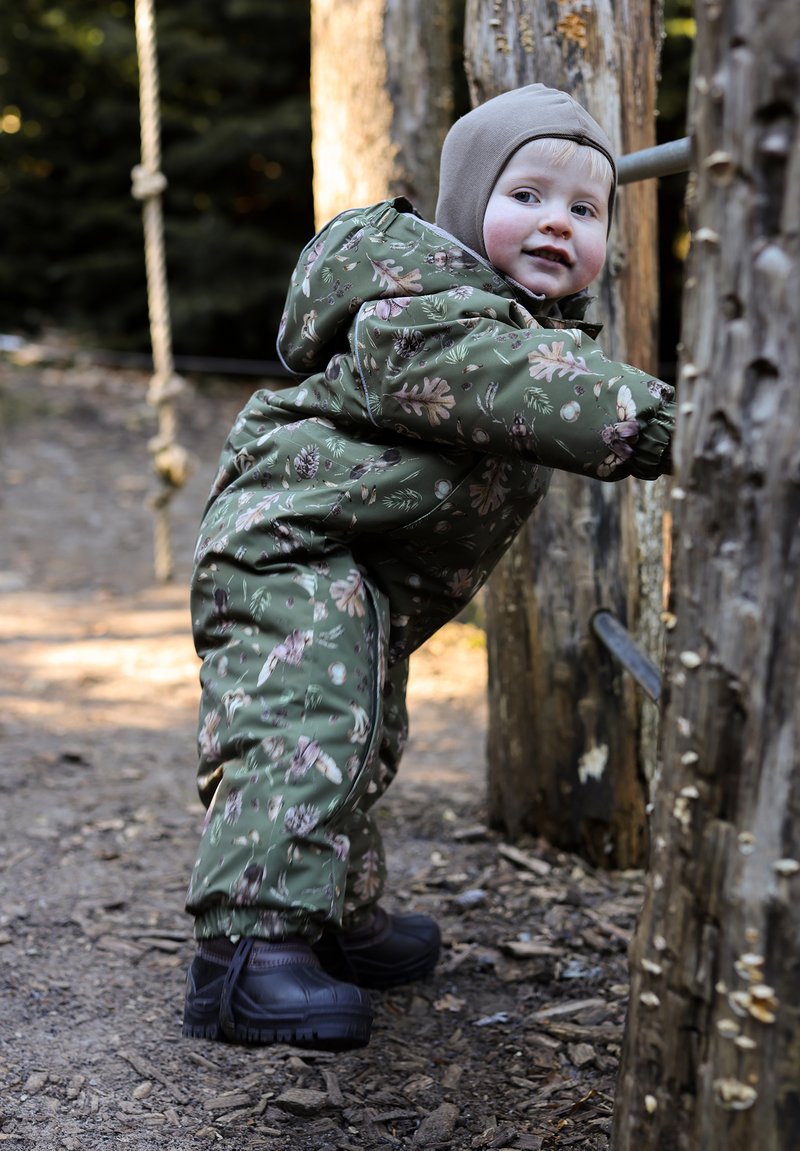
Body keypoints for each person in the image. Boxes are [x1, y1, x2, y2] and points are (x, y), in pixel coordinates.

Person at [182, 84, 675, 1049]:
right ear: (464, 207)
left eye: (585, 210)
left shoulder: (517, 322)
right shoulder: (417, 309)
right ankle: (243, 955)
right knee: (306, 724)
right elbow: (513, 385)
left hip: (360, 565)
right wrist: (666, 420)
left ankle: (334, 917)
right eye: (526, 194)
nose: (555, 224)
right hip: (289, 547)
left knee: (362, 735)